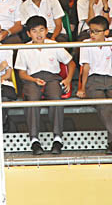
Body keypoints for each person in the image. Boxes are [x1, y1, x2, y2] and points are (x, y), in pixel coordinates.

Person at [16, 15, 75, 155]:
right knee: (32, 100)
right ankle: (34, 139)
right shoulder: (24, 49)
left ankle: (57, 138)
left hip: (52, 78)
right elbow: (21, 74)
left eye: (41, 30)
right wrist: (33, 80)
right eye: (34, 31)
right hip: (32, 79)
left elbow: (71, 63)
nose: (38, 34)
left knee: (56, 97)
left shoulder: (53, 45)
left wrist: (68, 79)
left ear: (47, 30)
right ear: (29, 34)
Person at [77, 15, 112, 154]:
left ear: (106, 32)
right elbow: (85, 68)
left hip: (111, 79)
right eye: (90, 31)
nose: (92, 34)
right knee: (103, 105)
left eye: (96, 31)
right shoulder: (85, 43)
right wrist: (82, 87)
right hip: (94, 80)